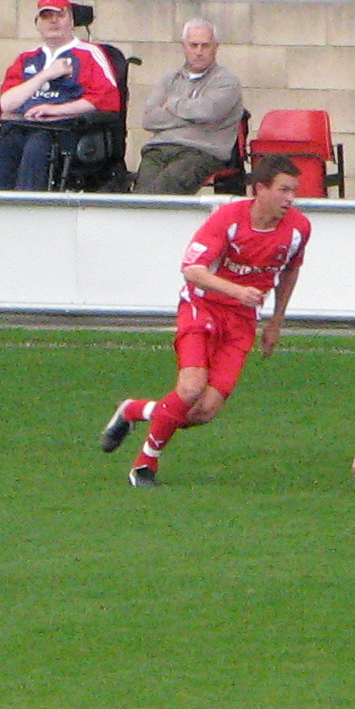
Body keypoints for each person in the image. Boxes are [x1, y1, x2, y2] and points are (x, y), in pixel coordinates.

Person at [100, 151, 311, 485]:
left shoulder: (298, 228)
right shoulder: (227, 220)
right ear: (260, 189)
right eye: (284, 190)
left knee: (203, 412)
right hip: (203, 308)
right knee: (190, 389)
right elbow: (192, 270)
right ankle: (144, 465)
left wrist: (276, 322)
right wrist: (236, 291)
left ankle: (134, 410)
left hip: (242, 322)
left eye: (294, 191)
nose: (291, 198)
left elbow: (290, 272)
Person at [0, 0, 124, 190]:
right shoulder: (27, 58)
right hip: (23, 126)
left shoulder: (89, 54)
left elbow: (105, 100)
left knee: (37, 148)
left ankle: (28, 209)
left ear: (70, 20)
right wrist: (45, 75)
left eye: (60, 15)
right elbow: (7, 104)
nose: (53, 21)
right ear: (38, 23)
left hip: (63, 130)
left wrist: (55, 110)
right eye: (47, 16)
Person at [135, 15, 247, 193]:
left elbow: (209, 112)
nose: (199, 51)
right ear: (184, 47)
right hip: (159, 149)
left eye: (205, 45)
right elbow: (149, 120)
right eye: (193, 45)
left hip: (202, 152)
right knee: (138, 198)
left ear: (216, 47)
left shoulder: (227, 81)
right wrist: (194, 116)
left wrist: (172, 104)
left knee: (162, 192)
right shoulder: (168, 80)